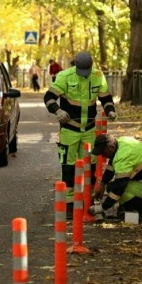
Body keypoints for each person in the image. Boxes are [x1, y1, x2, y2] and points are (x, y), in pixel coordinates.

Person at [43, 51, 117, 216]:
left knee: (90, 166)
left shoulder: (98, 75)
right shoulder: (64, 76)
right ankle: (69, 204)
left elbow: (106, 99)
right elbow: (48, 97)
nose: (84, 75)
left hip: (89, 130)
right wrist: (58, 111)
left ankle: (88, 200)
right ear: (75, 66)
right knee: (68, 167)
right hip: (69, 129)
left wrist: (110, 111)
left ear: (92, 66)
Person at [89, 133, 142, 223]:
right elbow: (111, 165)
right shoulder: (121, 142)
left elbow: (119, 188)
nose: (102, 155)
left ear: (111, 147)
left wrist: (102, 208)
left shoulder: (123, 157)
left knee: (116, 190)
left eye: (103, 152)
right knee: (112, 187)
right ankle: (130, 207)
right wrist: (103, 184)